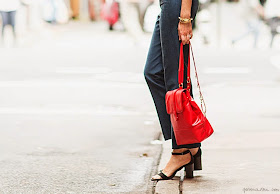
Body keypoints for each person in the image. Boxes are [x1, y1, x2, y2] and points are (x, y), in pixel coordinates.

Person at [144, 0, 200, 181]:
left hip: (177, 6)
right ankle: (190, 143)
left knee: (175, 81)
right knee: (153, 72)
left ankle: (180, 151)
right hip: (168, 6)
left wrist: (185, 17)